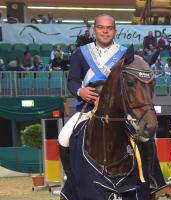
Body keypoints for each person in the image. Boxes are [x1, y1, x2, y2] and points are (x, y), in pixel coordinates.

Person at [58, 14, 160, 189]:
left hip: (119, 110)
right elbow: (72, 80)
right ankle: (72, 181)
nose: (105, 31)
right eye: (101, 27)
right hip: (88, 107)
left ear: (115, 31)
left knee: (145, 137)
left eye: (109, 28)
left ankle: (148, 179)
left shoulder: (125, 54)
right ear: (94, 30)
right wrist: (80, 91)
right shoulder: (80, 54)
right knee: (64, 137)